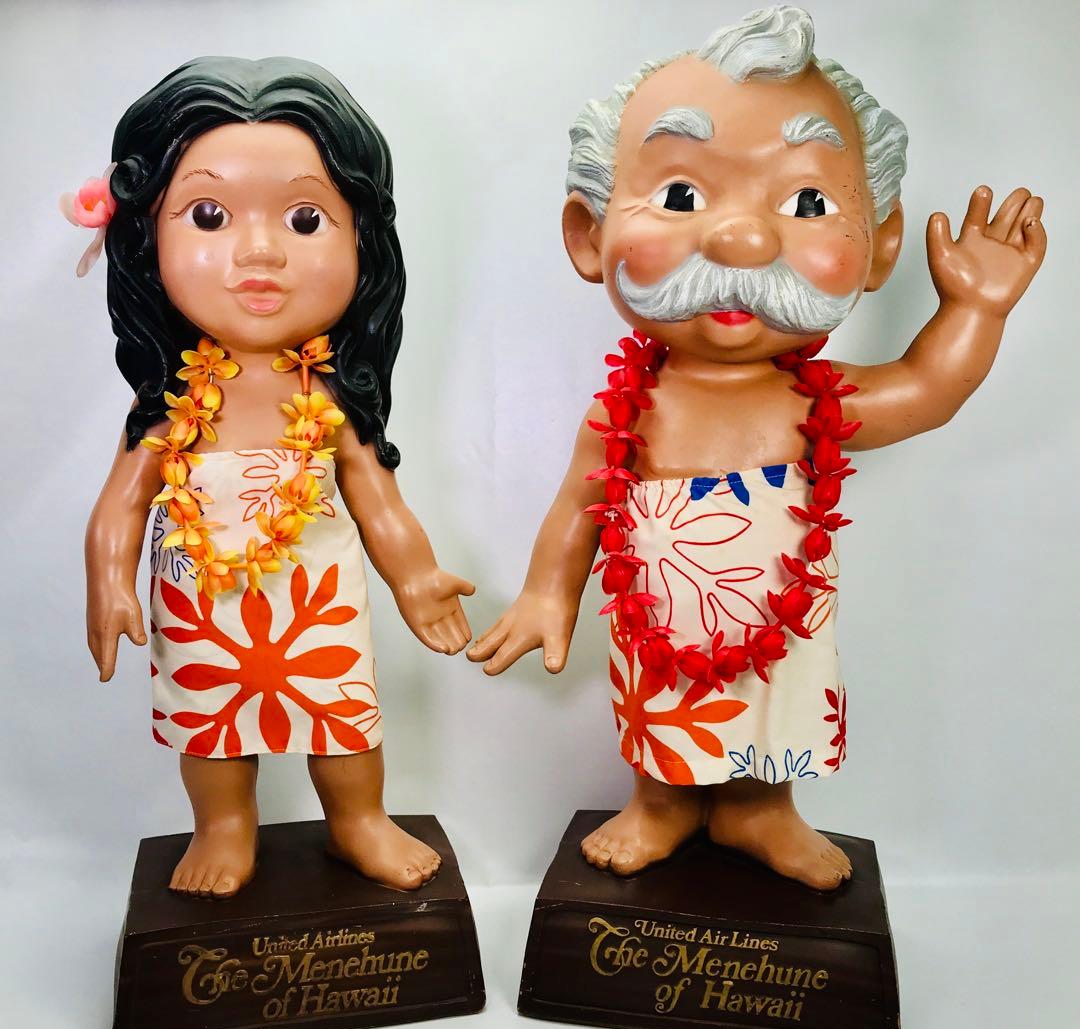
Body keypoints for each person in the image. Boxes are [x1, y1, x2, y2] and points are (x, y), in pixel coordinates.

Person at [468, 6, 1046, 889]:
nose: (742, 240)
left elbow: (929, 389)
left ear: (879, 245)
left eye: (807, 203)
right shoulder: (626, 412)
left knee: (772, 714)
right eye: (681, 196)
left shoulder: (817, 401)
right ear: (589, 234)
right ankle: (661, 803)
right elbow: (580, 502)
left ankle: (759, 810)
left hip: (779, 617)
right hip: (659, 621)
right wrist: (550, 591)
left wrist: (975, 310)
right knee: (662, 710)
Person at [72, 57, 473, 898]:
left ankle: (358, 821)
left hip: (316, 595)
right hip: (199, 596)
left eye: (304, 218)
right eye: (209, 215)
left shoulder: (328, 395)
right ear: (147, 240)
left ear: (362, 239)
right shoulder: (169, 403)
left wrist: (416, 576)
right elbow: (121, 503)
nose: (259, 252)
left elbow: (377, 499)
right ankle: (223, 826)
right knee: (211, 721)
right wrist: (108, 580)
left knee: (341, 712)